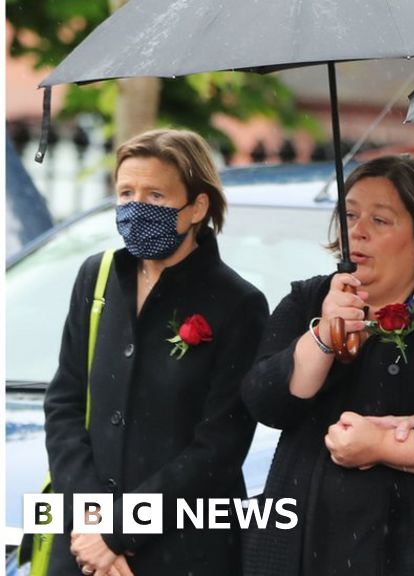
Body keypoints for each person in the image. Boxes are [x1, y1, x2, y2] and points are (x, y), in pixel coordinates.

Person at [240, 154, 414, 576]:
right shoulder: (308, 300)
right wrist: (322, 336)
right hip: (303, 546)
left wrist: (383, 446)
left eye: (380, 220)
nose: (357, 231)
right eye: (351, 215)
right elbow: (266, 403)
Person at [44, 128, 269, 576]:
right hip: (84, 548)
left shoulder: (238, 304)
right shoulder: (97, 277)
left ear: (197, 207)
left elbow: (219, 447)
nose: (136, 207)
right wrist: (94, 518)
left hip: (183, 549)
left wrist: (121, 531)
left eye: (155, 194)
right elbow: (64, 404)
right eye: (126, 193)